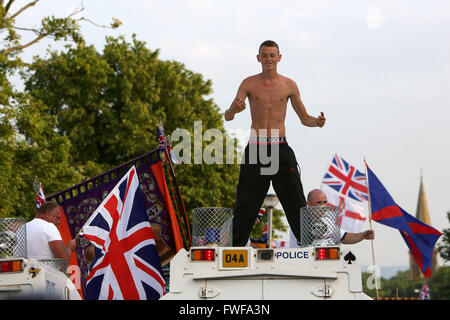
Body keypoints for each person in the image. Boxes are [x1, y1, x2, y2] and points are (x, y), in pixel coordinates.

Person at [225, 40, 326, 246]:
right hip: (256, 148)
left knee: (295, 200)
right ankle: (235, 248)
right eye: (264, 55)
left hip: (280, 148)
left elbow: (304, 118)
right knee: (246, 203)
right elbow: (228, 116)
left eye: (272, 55)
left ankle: (308, 245)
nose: (268, 59)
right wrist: (235, 109)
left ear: (279, 57)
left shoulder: (289, 85)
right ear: (258, 58)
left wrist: (316, 122)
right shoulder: (249, 83)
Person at [306, 189, 375, 244]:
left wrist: (362, 235)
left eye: (325, 202)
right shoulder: (298, 221)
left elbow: (344, 238)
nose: (323, 206)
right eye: (319, 203)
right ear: (309, 203)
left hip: (325, 261)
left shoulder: (327, 222)